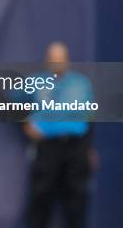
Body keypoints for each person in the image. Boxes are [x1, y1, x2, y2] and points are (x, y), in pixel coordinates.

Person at [24, 42, 95, 228]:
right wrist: (25, 123)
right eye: (53, 59)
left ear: (67, 60)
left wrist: (89, 149)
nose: (57, 63)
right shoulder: (36, 82)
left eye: (61, 59)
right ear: (48, 61)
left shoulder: (81, 84)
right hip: (47, 148)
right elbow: (11, 101)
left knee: (76, 199)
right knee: (41, 197)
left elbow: (90, 118)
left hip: (76, 147)